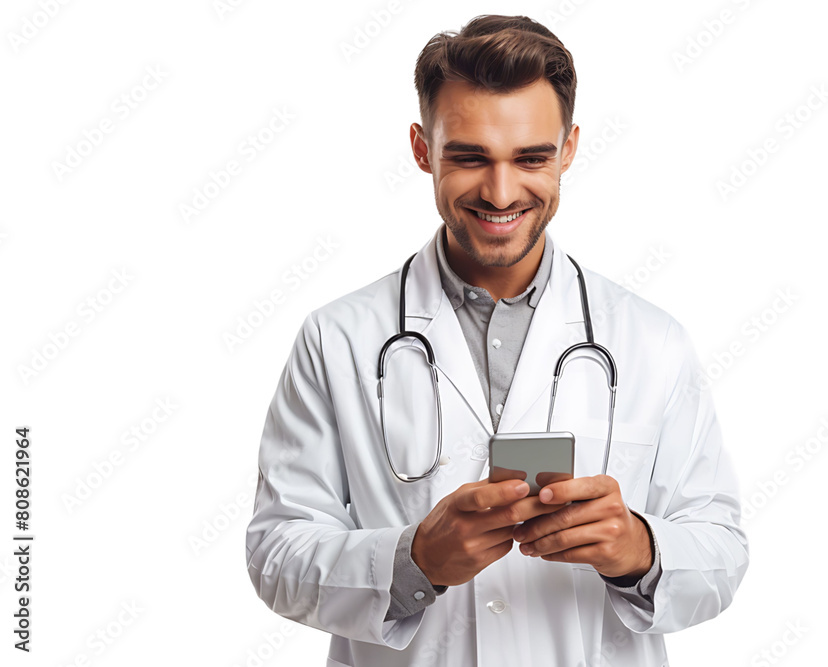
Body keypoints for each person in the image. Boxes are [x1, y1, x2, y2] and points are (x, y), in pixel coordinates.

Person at [246, 14, 749, 666]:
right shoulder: (337, 338)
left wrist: (639, 549)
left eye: (531, 157)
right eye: (469, 157)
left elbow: (722, 549)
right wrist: (412, 560)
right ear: (422, 149)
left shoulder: (652, 342)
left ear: (568, 150)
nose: (501, 192)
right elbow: (275, 552)